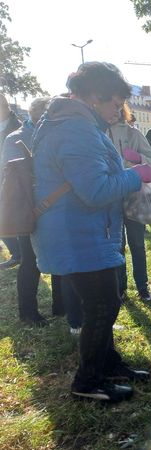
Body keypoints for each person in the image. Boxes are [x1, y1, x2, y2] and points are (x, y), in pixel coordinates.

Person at [31, 62, 151, 402]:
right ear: (95, 97)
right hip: (78, 237)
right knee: (102, 305)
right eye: (116, 103)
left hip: (87, 235)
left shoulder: (76, 124)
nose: (120, 110)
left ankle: (109, 364)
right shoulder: (76, 129)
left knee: (108, 299)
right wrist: (136, 176)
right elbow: (95, 191)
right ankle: (87, 382)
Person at [1, 97, 52, 325]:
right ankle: (28, 312)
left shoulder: (48, 134)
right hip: (27, 208)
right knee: (30, 260)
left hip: (50, 205)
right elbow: (10, 176)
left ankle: (60, 306)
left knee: (54, 256)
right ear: (38, 116)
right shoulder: (16, 138)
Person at [108, 103, 151, 302]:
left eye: (114, 106)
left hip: (134, 197)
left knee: (137, 244)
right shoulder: (98, 134)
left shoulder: (134, 134)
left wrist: (139, 158)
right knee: (117, 245)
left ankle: (142, 287)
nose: (111, 111)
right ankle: (120, 289)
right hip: (110, 197)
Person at [0, 93, 22, 270]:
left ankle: (20, 253)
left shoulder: (17, 126)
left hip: (12, 179)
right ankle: (17, 253)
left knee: (9, 217)